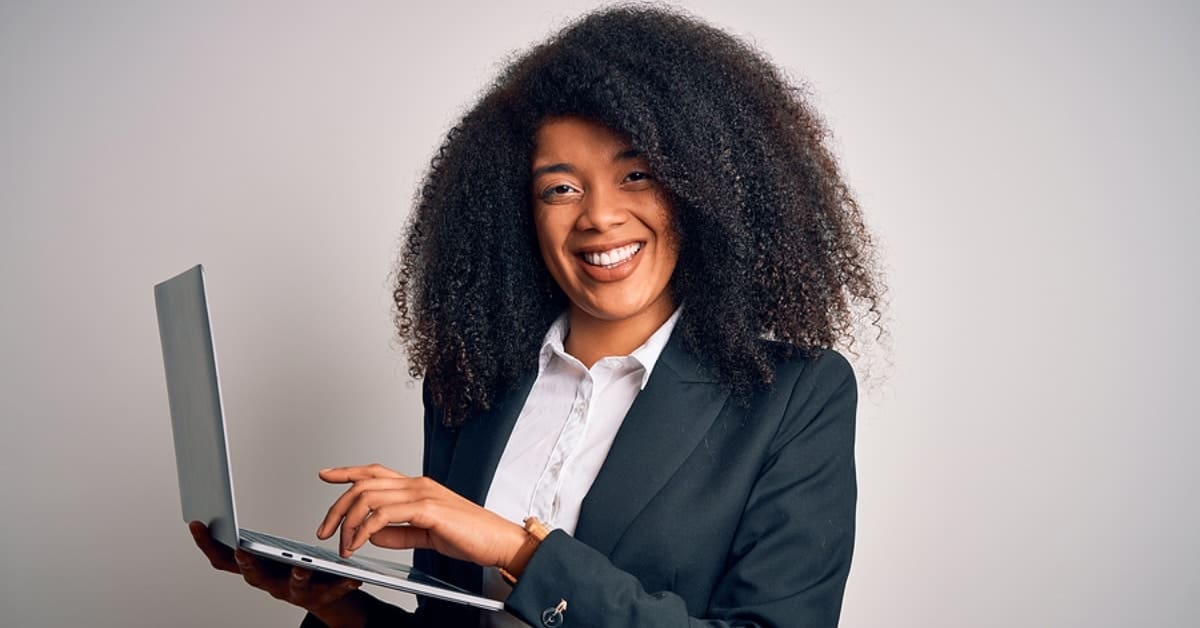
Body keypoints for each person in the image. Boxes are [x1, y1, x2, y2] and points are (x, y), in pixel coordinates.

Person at [191, 6, 885, 627]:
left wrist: (517, 549)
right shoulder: (469, 385)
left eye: (636, 175)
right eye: (560, 187)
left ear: (699, 187)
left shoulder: (794, 395)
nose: (600, 215)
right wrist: (340, 609)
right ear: (516, 210)